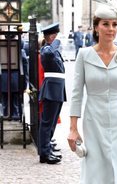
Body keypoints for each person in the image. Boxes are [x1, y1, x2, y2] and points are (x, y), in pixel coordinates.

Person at [67, 0, 117, 184]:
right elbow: (77, 94)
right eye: (106, 24)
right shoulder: (84, 55)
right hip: (93, 120)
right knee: (95, 170)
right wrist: (73, 128)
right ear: (96, 27)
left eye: (114, 24)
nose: (111, 29)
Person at [38, 23, 66, 164]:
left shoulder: (52, 50)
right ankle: (44, 153)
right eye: (56, 36)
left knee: (52, 123)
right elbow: (48, 53)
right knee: (47, 122)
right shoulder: (46, 49)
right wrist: (55, 43)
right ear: (52, 36)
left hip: (57, 89)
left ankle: (47, 148)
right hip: (51, 89)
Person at [1, 35, 28, 121]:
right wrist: (25, 83)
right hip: (16, 80)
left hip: (3, 80)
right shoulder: (20, 50)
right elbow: (25, 68)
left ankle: (4, 121)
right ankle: (16, 120)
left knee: (4, 103)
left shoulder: (2, 48)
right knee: (16, 104)